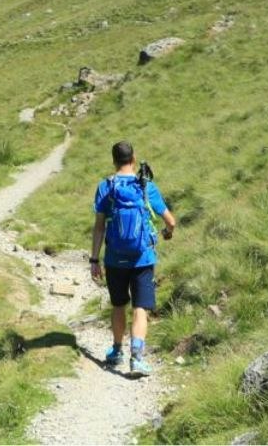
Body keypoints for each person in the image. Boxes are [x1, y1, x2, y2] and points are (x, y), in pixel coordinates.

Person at [90, 139, 176, 376]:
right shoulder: (146, 186)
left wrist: (94, 260)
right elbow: (170, 220)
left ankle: (116, 351)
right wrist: (167, 233)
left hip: (115, 259)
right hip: (143, 258)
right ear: (134, 159)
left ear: (114, 160)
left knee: (118, 305)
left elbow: (99, 227)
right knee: (140, 307)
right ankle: (136, 358)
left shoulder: (105, 186)